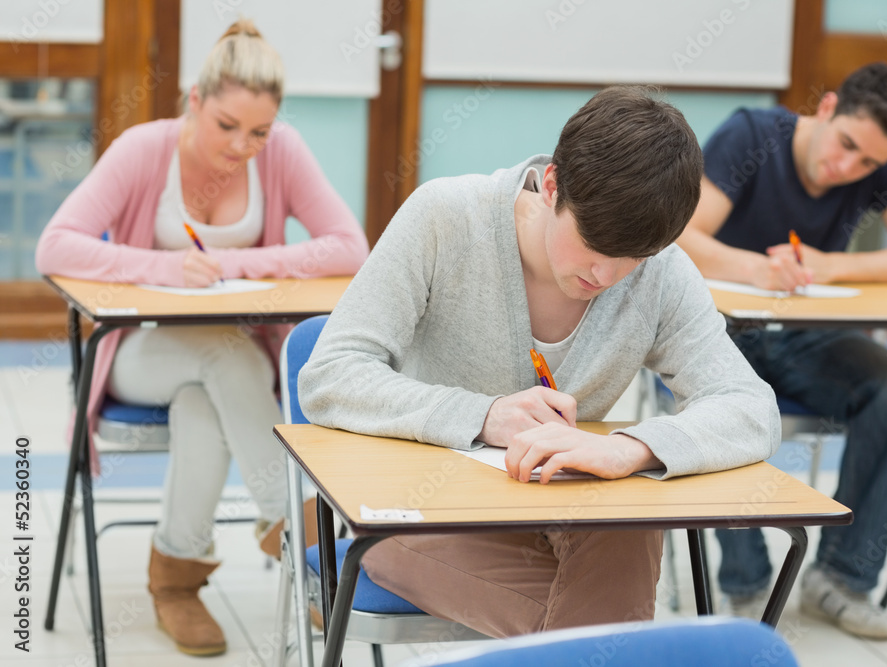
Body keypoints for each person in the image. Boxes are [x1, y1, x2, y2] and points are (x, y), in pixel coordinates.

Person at [298, 86, 781, 638]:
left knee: (631, 520)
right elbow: (331, 375)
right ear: (551, 185)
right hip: (417, 509)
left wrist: (627, 448)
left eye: (633, 259)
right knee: (611, 636)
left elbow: (749, 407)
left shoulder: (661, 271)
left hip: (557, 513)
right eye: (593, 246)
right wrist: (483, 415)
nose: (606, 276)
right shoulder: (446, 217)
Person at [35, 20, 368, 656]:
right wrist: (163, 268)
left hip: (228, 370)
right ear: (194, 100)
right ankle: (295, 535)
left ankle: (176, 579)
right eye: (226, 125)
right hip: (139, 352)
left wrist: (244, 263)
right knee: (220, 352)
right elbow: (56, 243)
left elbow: (350, 247)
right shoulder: (143, 149)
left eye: (259, 132)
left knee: (204, 396)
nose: (243, 146)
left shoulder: (283, 153)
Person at [675, 62, 887, 640]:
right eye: (847, 145)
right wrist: (757, 267)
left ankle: (842, 579)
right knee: (723, 393)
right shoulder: (752, 135)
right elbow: (681, 236)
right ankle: (746, 584)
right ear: (826, 108)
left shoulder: (880, 156)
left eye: (868, 164)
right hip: (722, 331)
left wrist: (832, 266)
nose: (848, 167)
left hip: (804, 334)